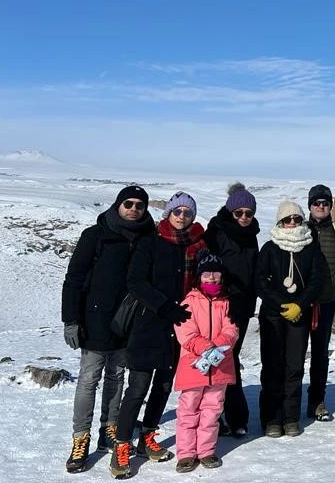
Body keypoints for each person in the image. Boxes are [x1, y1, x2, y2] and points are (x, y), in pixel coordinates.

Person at [62, 185, 155, 473]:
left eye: (140, 205)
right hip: (94, 321)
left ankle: (109, 430)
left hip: (127, 322)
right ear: (118, 205)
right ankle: (81, 439)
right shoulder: (95, 235)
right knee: (89, 379)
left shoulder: (147, 238)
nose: (134, 209)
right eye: (128, 203)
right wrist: (71, 320)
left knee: (116, 376)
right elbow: (74, 277)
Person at [112, 191, 202, 478]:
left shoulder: (197, 246)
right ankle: (121, 445)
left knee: (163, 386)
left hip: (179, 329)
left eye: (187, 212)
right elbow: (135, 281)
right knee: (138, 386)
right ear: (169, 214)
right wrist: (165, 307)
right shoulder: (151, 242)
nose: (182, 216)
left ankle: (147, 436)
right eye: (177, 211)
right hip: (148, 324)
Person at [256, 200, 327, 438]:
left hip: (299, 315)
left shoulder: (311, 247)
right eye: (288, 220)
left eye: (297, 219)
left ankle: (290, 417)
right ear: (280, 222)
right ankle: (272, 418)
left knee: (294, 366)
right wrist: (280, 303)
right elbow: (260, 282)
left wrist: (300, 304)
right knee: (273, 366)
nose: (293, 223)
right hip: (273, 316)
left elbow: (318, 280)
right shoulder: (269, 248)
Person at [172, 251, 239, 473]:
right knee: (189, 410)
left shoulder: (227, 302)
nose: (211, 278)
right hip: (194, 366)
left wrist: (220, 344)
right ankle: (186, 453)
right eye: (207, 274)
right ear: (199, 276)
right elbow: (185, 332)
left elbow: (232, 329)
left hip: (219, 366)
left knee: (212, 409)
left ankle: (207, 451)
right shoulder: (189, 302)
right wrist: (205, 347)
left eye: (216, 274)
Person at [202, 183, 259, 437]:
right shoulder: (216, 231)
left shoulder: (252, 234)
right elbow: (206, 268)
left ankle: (234, 418)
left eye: (249, 213)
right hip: (220, 304)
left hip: (243, 306)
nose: (244, 218)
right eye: (239, 213)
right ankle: (218, 417)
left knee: (230, 358)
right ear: (230, 211)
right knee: (219, 358)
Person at [305, 184, 335, 421]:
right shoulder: (299, 229)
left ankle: (317, 402)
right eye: (316, 203)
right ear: (310, 206)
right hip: (301, 303)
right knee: (293, 354)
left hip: (327, 300)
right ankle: (289, 404)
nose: (321, 207)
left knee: (320, 353)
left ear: (331, 206)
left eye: (325, 203)